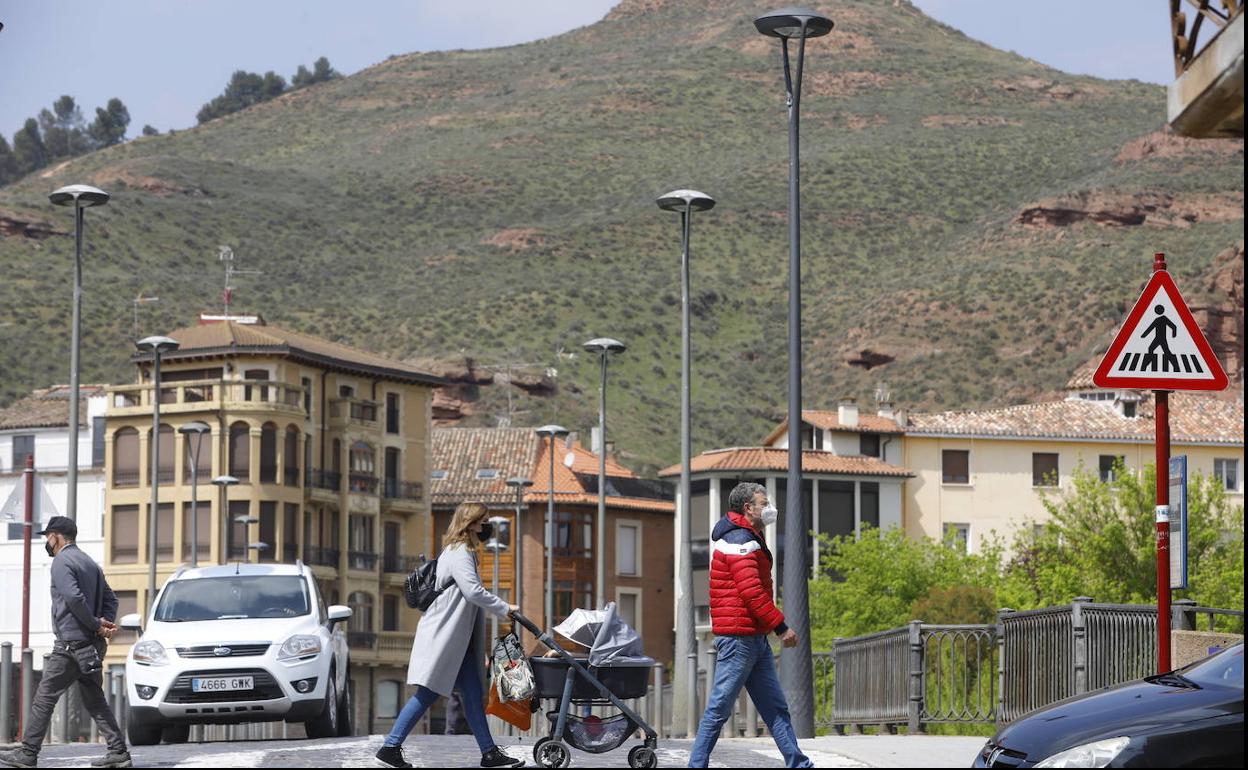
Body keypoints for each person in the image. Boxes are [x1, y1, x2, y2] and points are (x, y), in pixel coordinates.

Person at [374, 502, 523, 769]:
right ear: (471, 523)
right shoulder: (460, 552)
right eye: (484, 521)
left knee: (472, 695)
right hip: (444, 638)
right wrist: (504, 608)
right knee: (428, 693)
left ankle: (489, 753)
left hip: (457, 641)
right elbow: (473, 591)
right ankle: (390, 748)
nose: (487, 526)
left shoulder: (461, 551)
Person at [688, 483, 812, 768]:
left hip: (754, 638)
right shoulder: (738, 540)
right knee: (719, 709)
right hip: (738, 640)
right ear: (748, 508)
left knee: (775, 708)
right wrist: (781, 627)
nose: (769, 508)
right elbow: (752, 593)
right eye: (764, 503)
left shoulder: (748, 536)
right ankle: (696, 765)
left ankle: (799, 764)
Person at [0, 517, 130, 769]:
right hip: (92, 646)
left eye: (47, 536)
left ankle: (28, 753)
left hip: (71, 644)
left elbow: (73, 597)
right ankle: (119, 752)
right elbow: (111, 599)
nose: (47, 542)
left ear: (55, 536)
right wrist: (103, 624)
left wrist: (96, 624)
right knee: (95, 699)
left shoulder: (62, 561)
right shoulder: (89, 563)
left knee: (44, 697)